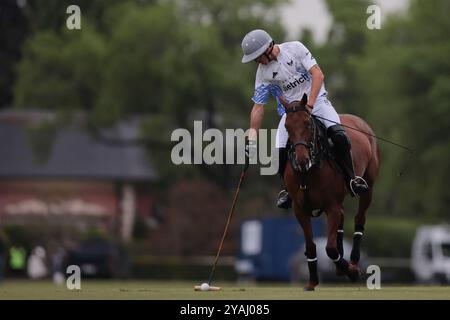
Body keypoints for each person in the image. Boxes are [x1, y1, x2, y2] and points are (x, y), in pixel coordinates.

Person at [241, 29, 369, 209]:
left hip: (316, 102)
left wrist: (310, 104)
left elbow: (318, 74)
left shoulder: (295, 48)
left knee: (339, 135)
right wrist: (252, 137)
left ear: (268, 49)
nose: (257, 62)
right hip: (291, 113)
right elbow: (258, 107)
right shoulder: (262, 73)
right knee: (280, 151)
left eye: (257, 57)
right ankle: (288, 191)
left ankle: (352, 180)